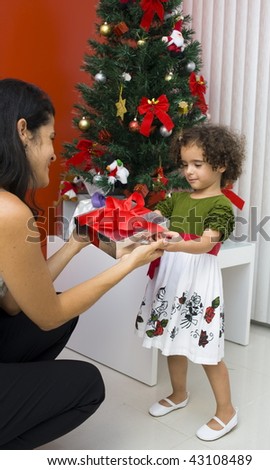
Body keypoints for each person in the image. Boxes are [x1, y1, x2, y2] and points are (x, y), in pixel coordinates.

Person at [0, 78, 164, 450]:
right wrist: (128, 264)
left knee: (55, 317)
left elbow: (11, 303)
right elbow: (48, 313)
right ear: (23, 131)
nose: (55, 152)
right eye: (52, 137)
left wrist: (77, 241)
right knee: (88, 384)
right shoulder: (8, 211)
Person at [136, 124, 245, 441]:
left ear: (221, 164)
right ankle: (179, 393)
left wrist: (173, 243)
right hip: (173, 275)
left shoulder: (222, 207)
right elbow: (154, 216)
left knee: (207, 348)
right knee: (171, 338)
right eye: (185, 164)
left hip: (198, 278)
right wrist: (142, 225)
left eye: (197, 164)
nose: (189, 171)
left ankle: (227, 411)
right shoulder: (179, 198)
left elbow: (205, 245)